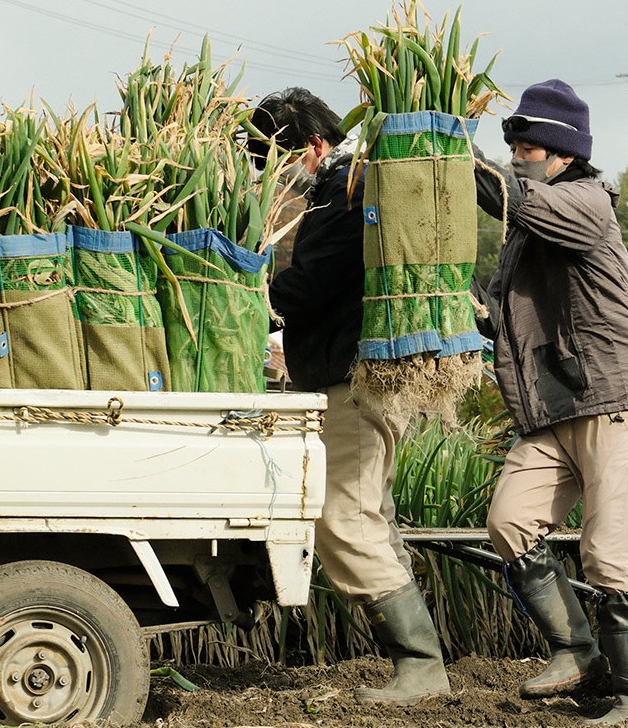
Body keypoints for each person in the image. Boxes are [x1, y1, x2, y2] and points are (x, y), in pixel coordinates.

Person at [470, 79, 628, 724]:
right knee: (510, 522)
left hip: (612, 401)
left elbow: (510, 195)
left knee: (609, 554)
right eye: (513, 144)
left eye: (528, 145)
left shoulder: (586, 201)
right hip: (554, 409)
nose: (518, 153)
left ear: (562, 153)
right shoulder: (527, 228)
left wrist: (444, 146)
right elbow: (514, 316)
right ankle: (577, 651)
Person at [247, 87, 449, 706]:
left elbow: (310, 285)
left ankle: (420, 663)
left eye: (276, 162)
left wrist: (246, 303)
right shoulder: (345, 191)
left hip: (352, 381)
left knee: (342, 519)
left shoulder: (346, 196)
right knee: (372, 516)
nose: (273, 179)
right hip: (352, 377)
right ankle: (419, 664)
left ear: (313, 146)